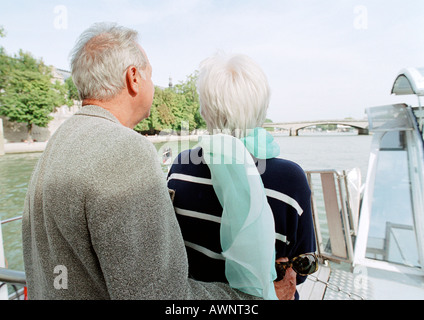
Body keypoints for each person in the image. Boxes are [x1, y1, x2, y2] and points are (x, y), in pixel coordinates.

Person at [21, 23, 288, 300]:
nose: (154, 86)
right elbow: (159, 296)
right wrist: (248, 300)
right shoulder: (125, 150)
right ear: (133, 77)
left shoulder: (58, 142)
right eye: (150, 74)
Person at [167, 53, 317, 300]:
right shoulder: (291, 180)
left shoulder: (181, 167)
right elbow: (300, 271)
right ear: (262, 108)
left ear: (205, 111)